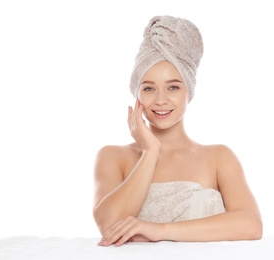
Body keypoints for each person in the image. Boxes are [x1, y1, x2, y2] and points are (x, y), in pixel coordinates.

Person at [93, 15, 262, 247]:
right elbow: (109, 227)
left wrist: (158, 230)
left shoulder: (219, 157)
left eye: (173, 87)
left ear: (188, 91)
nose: (161, 100)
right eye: (149, 88)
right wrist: (150, 151)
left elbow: (251, 225)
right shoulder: (113, 157)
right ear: (138, 94)